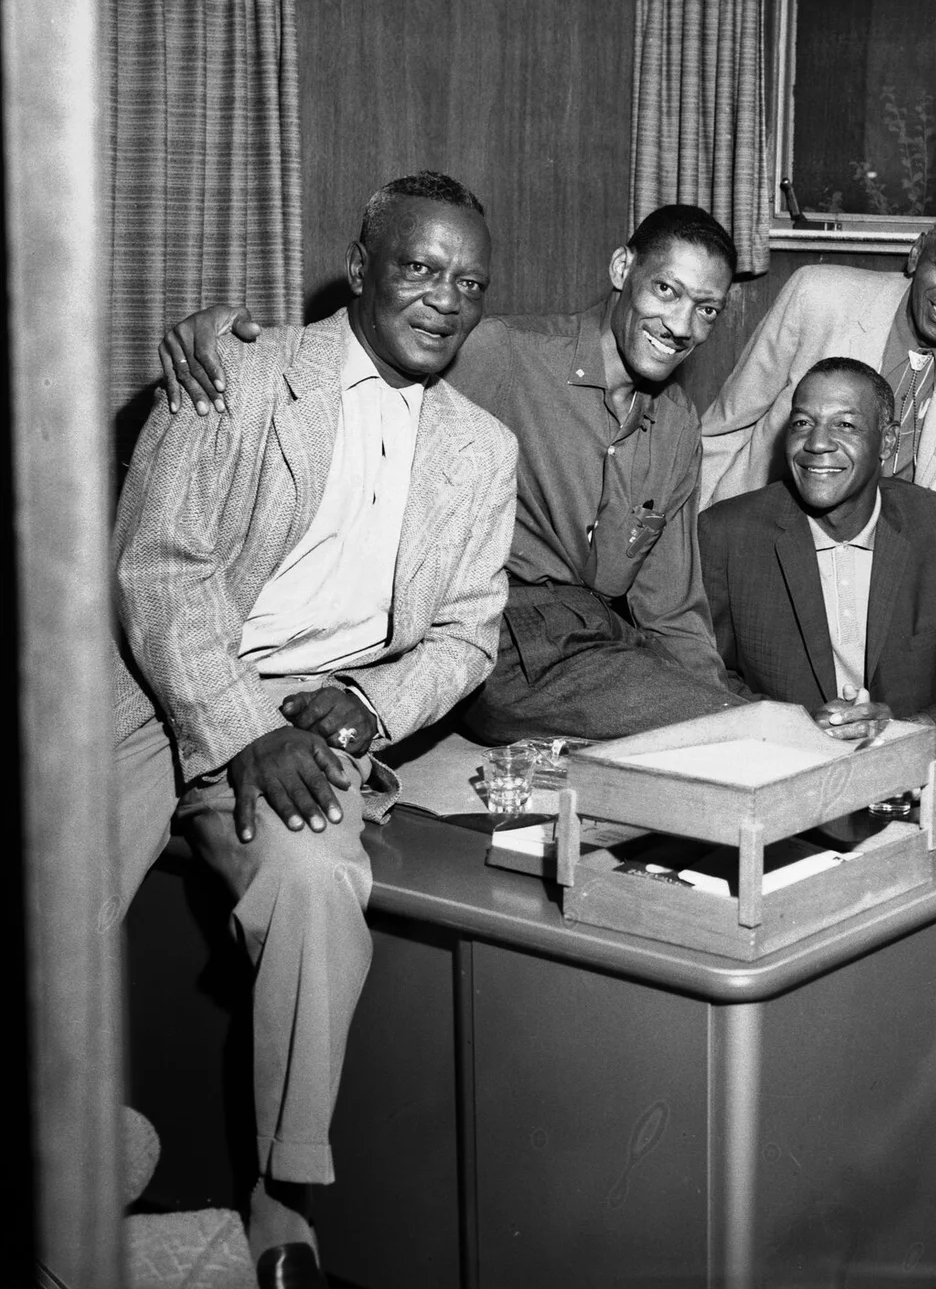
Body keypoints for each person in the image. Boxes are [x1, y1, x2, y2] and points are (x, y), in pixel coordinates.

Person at [113, 173, 519, 1289]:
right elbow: (157, 568)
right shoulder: (235, 373)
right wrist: (243, 727)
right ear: (361, 264)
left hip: (322, 704)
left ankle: (281, 1193)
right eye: (420, 268)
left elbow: (470, 632)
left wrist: (374, 705)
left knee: (312, 882)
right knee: (50, 877)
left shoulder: (482, 450)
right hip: (164, 678)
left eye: (467, 281)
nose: (443, 298)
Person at [157, 205, 753, 741]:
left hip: (601, 637)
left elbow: (673, 610)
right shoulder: (504, 353)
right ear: (622, 268)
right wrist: (225, 336)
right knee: (737, 732)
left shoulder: (676, 425)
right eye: (666, 290)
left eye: (706, 310)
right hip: (507, 637)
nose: (680, 326)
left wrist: (723, 698)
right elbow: (370, 355)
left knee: (749, 719)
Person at [700, 358, 936, 762]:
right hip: (776, 773)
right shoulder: (726, 533)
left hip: (905, 785)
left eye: (845, 425)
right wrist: (795, 731)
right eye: (802, 423)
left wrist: (906, 734)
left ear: (889, 442)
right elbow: (699, 677)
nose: (817, 443)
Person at [697, 201, 936, 507]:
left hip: (902, 554)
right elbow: (728, 425)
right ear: (917, 253)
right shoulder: (817, 296)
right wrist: (696, 533)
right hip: (769, 522)